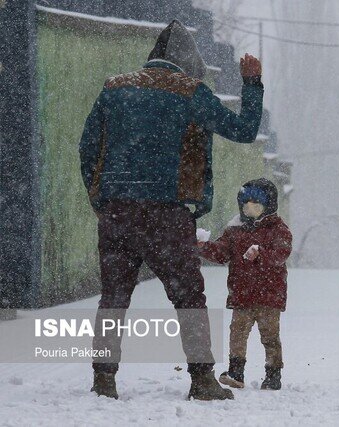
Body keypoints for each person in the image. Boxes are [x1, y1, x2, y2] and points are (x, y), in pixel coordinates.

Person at [79, 19, 264, 401]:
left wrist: (100, 200)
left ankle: (103, 379)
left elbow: (87, 148)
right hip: (167, 214)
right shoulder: (191, 91)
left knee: (113, 298)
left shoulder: (114, 88)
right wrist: (252, 83)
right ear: (187, 64)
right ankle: (201, 379)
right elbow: (245, 130)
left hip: (118, 213)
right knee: (188, 297)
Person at [198, 178, 292, 391]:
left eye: (256, 206)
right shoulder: (235, 230)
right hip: (242, 295)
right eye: (245, 206)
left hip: (269, 296)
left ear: (268, 207)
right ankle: (236, 372)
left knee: (270, 336)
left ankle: (273, 374)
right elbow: (222, 252)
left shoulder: (278, 229)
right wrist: (203, 247)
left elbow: (281, 254)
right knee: (237, 333)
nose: (249, 210)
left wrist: (261, 253)